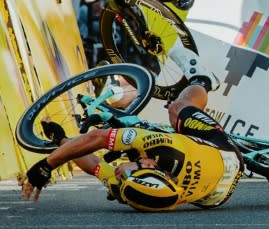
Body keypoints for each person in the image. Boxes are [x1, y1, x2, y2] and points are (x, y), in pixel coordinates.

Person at [20, 44, 243, 212]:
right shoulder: (167, 150)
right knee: (177, 109)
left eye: (123, 176)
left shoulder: (133, 189)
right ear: (149, 163)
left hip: (217, 197)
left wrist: (60, 140)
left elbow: (95, 165)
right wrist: (47, 165)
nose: (120, 171)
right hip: (224, 153)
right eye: (129, 171)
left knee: (130, 142)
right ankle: (202, 80)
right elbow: (97, 137)